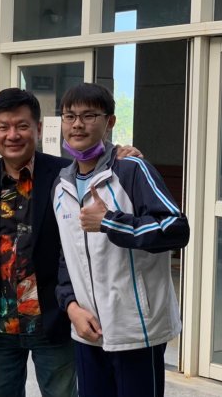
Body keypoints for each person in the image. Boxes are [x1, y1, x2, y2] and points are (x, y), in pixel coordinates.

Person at [52, 83, 190, 397]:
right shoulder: (61, 185)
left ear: (110, 122)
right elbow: (66, 256)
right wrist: (71, 306)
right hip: (87, 330)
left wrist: (110, 222)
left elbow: (176, 229)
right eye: (69, 116)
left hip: (136, 331)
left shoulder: (131, 170)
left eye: (89, 115)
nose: (77, 124)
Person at [0, 87, 77, 397]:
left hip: (53, 318)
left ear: (38, 128)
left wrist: (123, 154)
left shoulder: (65, 175)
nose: (12, 135)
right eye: (3, 127)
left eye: (22, 126)